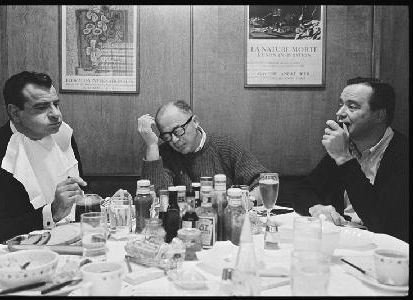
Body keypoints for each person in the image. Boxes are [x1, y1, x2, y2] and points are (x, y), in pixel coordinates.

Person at [0, 71, 87, 262]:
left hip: (71, 246)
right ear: (15, 112)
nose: (56, 114)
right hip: (14, 257)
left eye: (55, 104)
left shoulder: (64, 136)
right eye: (41, 107)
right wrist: (52, 212)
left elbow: (79, 191)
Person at [294, 77, 409, 242]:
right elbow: (302, 190)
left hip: (384, 247)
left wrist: (344, 158)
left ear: (379, 115)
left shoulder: (402, 154)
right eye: (341, 104)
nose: (339, 113)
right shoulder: (345, 146)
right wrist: (317, 207)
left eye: (352, 106)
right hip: (345, 238)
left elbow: (382, 223)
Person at [137, 100, 270, 201]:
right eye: (167, 136)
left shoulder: (225, 146)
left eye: (178, 131)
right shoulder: (165, 153)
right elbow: (158, 197)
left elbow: (264, 183)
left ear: (195, 121)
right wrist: (152, 145)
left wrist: (244, 201)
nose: (175, 140)